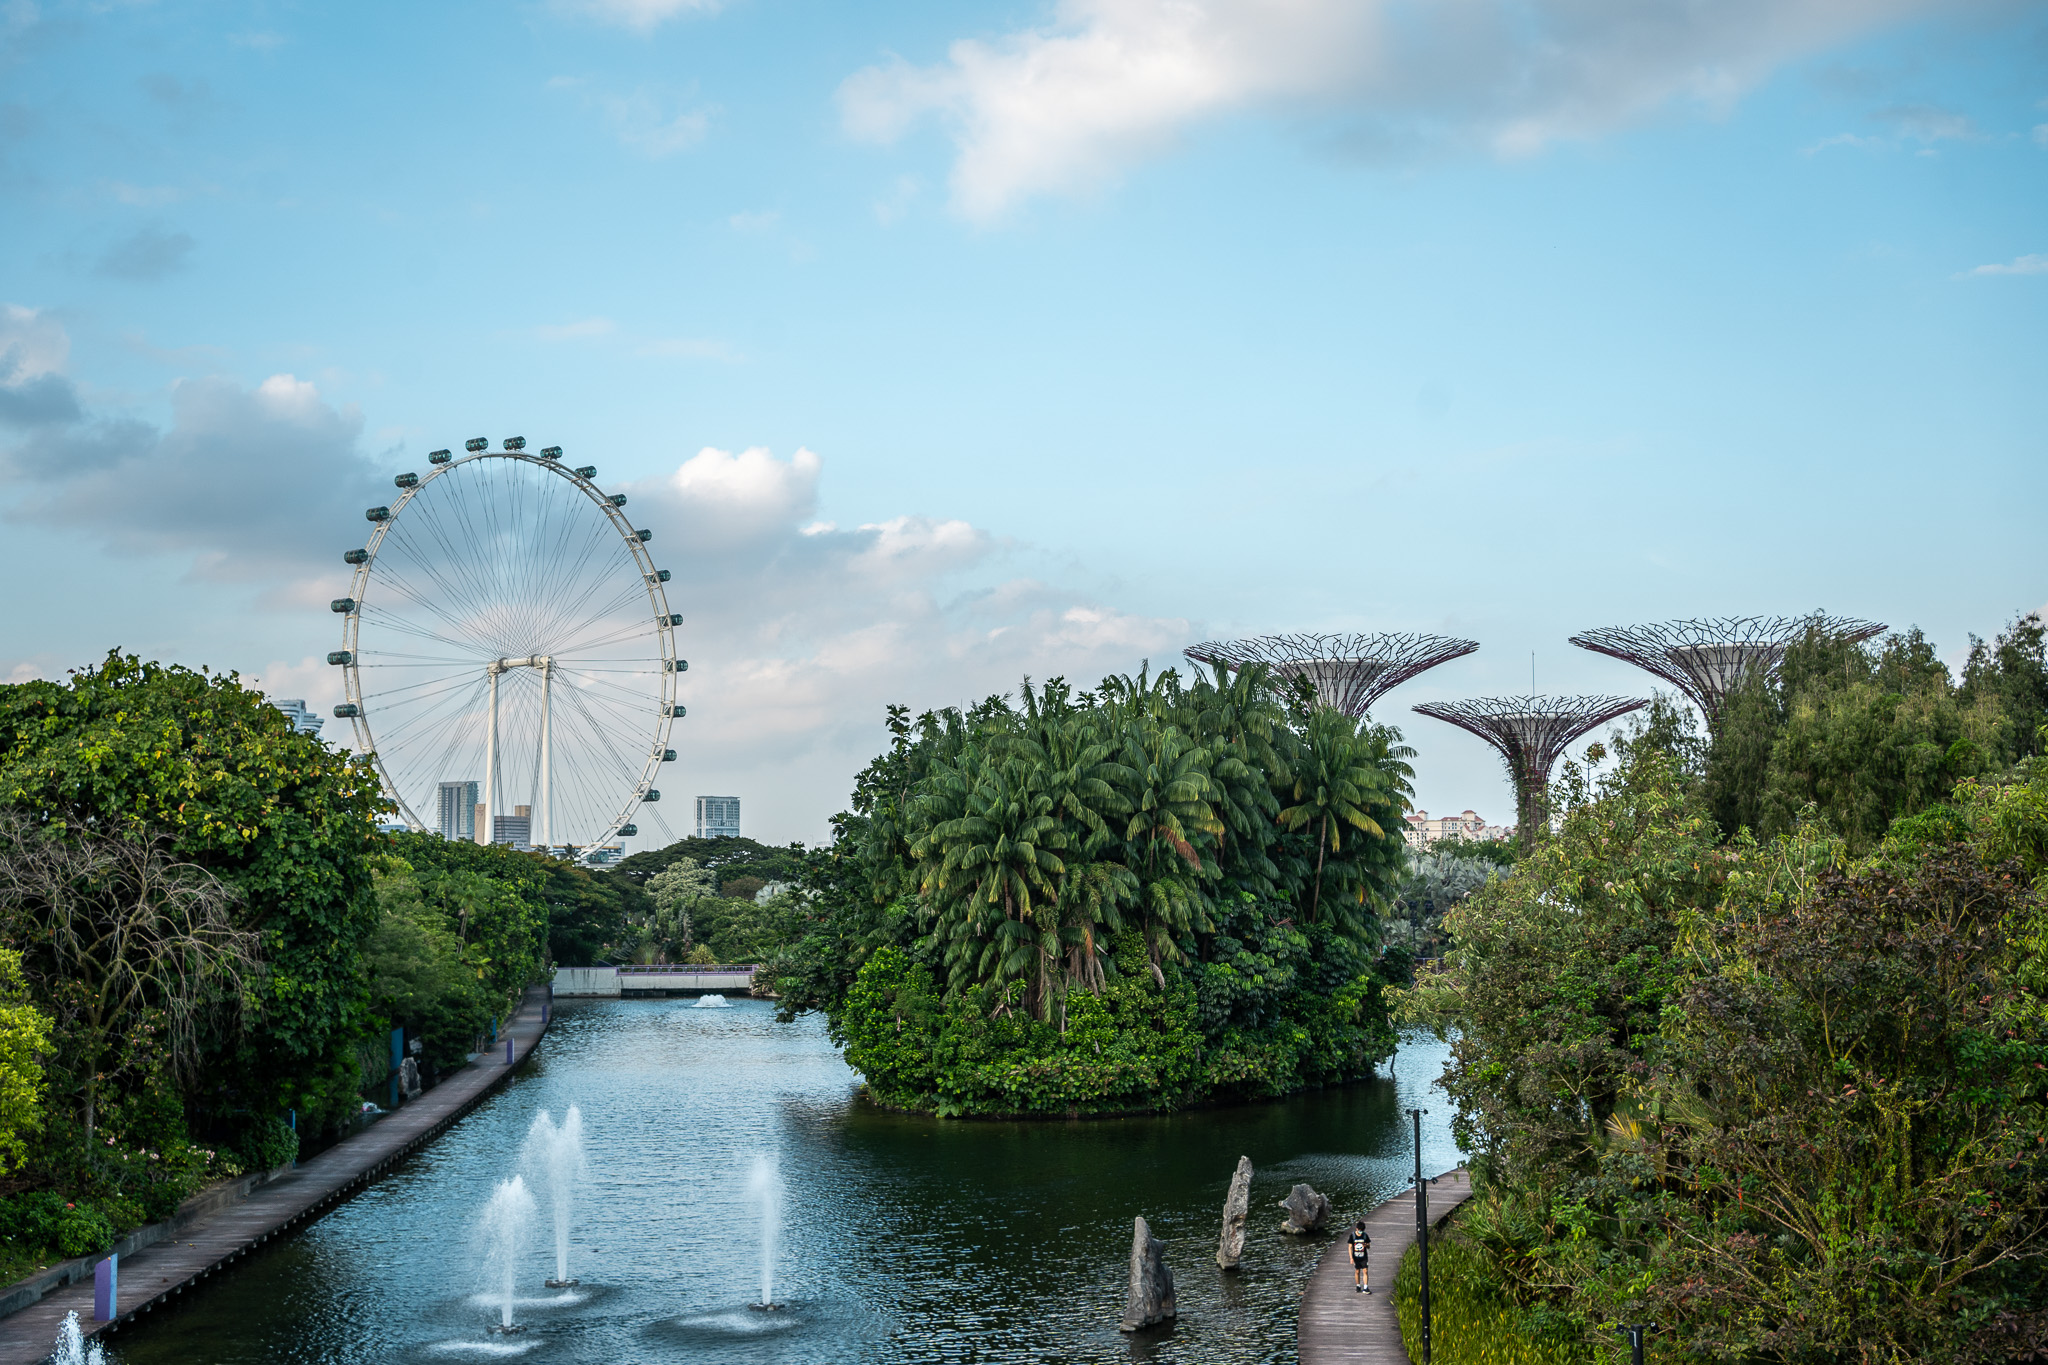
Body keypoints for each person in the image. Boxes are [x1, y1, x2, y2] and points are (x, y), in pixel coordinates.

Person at [1349, 1220, 1371, 1293]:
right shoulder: (1352, 1236)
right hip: (1356, 1257)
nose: (1360, 1231)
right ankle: (1358, 1286)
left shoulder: (1365, 1235)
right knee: (1357, 1271)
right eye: (1359, 1230)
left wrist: (1366, 1245)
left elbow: (1369, 1246)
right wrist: (1351, 1258)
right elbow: (1350, 1247)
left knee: (1365, 1270)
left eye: (1362, 1230)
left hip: (1364, 1256)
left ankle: (1365, 1287)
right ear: (1356, 1229)